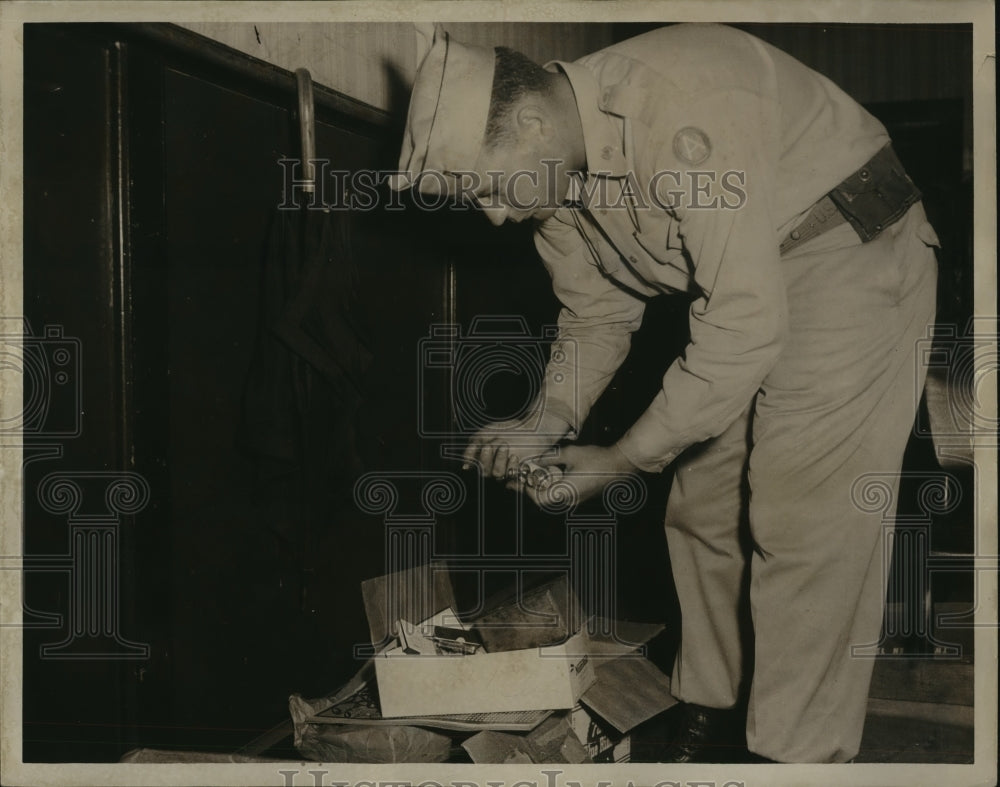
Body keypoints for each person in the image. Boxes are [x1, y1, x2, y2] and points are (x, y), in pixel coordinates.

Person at [390, 22, 940, 763]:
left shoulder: (676, 105)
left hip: (848, 249)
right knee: (702, 503)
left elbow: (744, 324)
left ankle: (795, 758)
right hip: (748, 288)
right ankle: (710, 708)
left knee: (804, 517)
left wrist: (621, 458)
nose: (494, 213)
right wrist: (545, 417)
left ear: (528, 121)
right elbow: (598, 312)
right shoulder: (553, 170)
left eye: (487, 185)